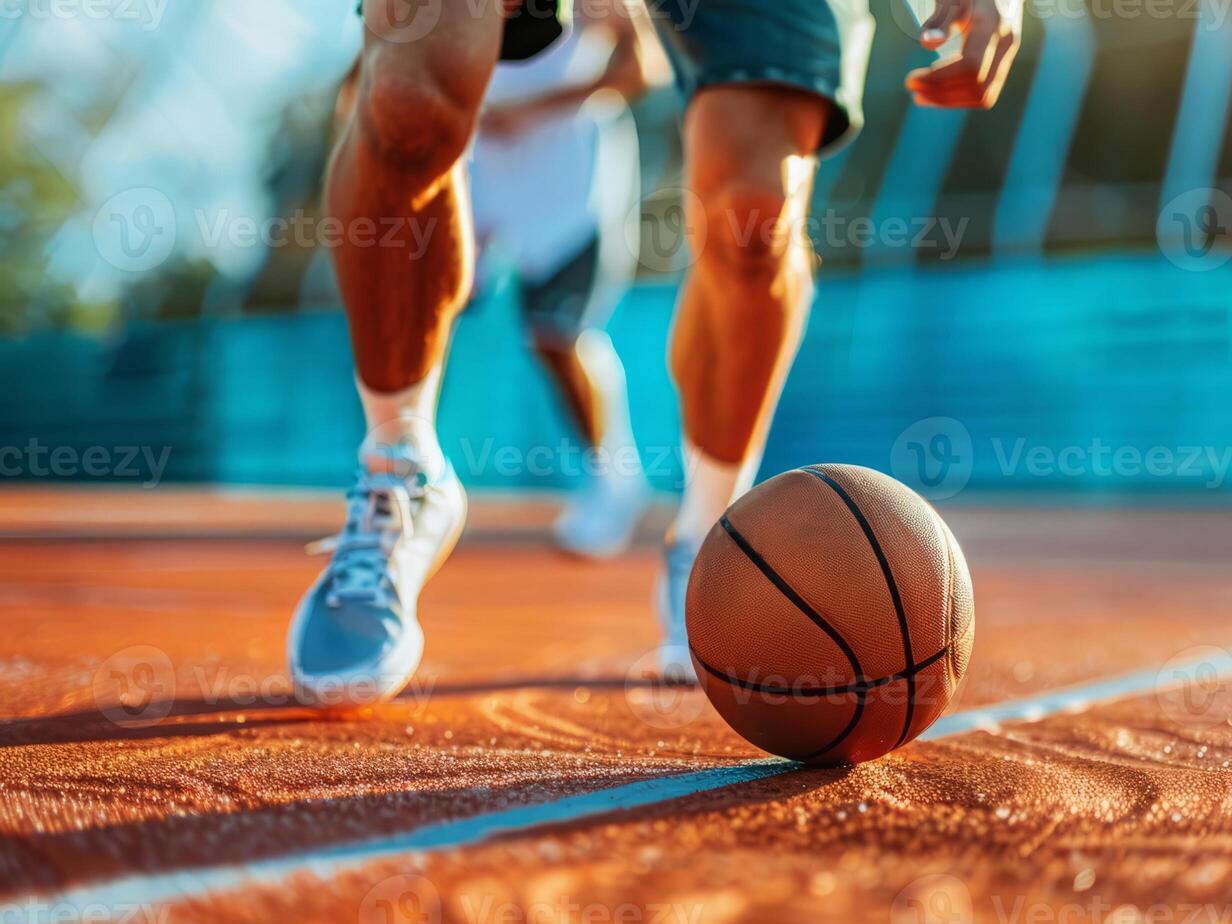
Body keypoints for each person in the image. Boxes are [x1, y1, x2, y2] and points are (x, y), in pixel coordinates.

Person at [288, 0, 1024, 701]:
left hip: (567, 175)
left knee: (753, 212)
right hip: (510, 168)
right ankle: (400, 471)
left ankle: (712, 547)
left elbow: (636, 68)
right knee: (406, 103)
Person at [466, 1, 667, 558]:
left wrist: (530, 110)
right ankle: (405, 475)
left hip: (572, 188)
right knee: (422, 318)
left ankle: (616, 480)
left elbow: (643, 67)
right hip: (478, 177)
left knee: (557, 334)